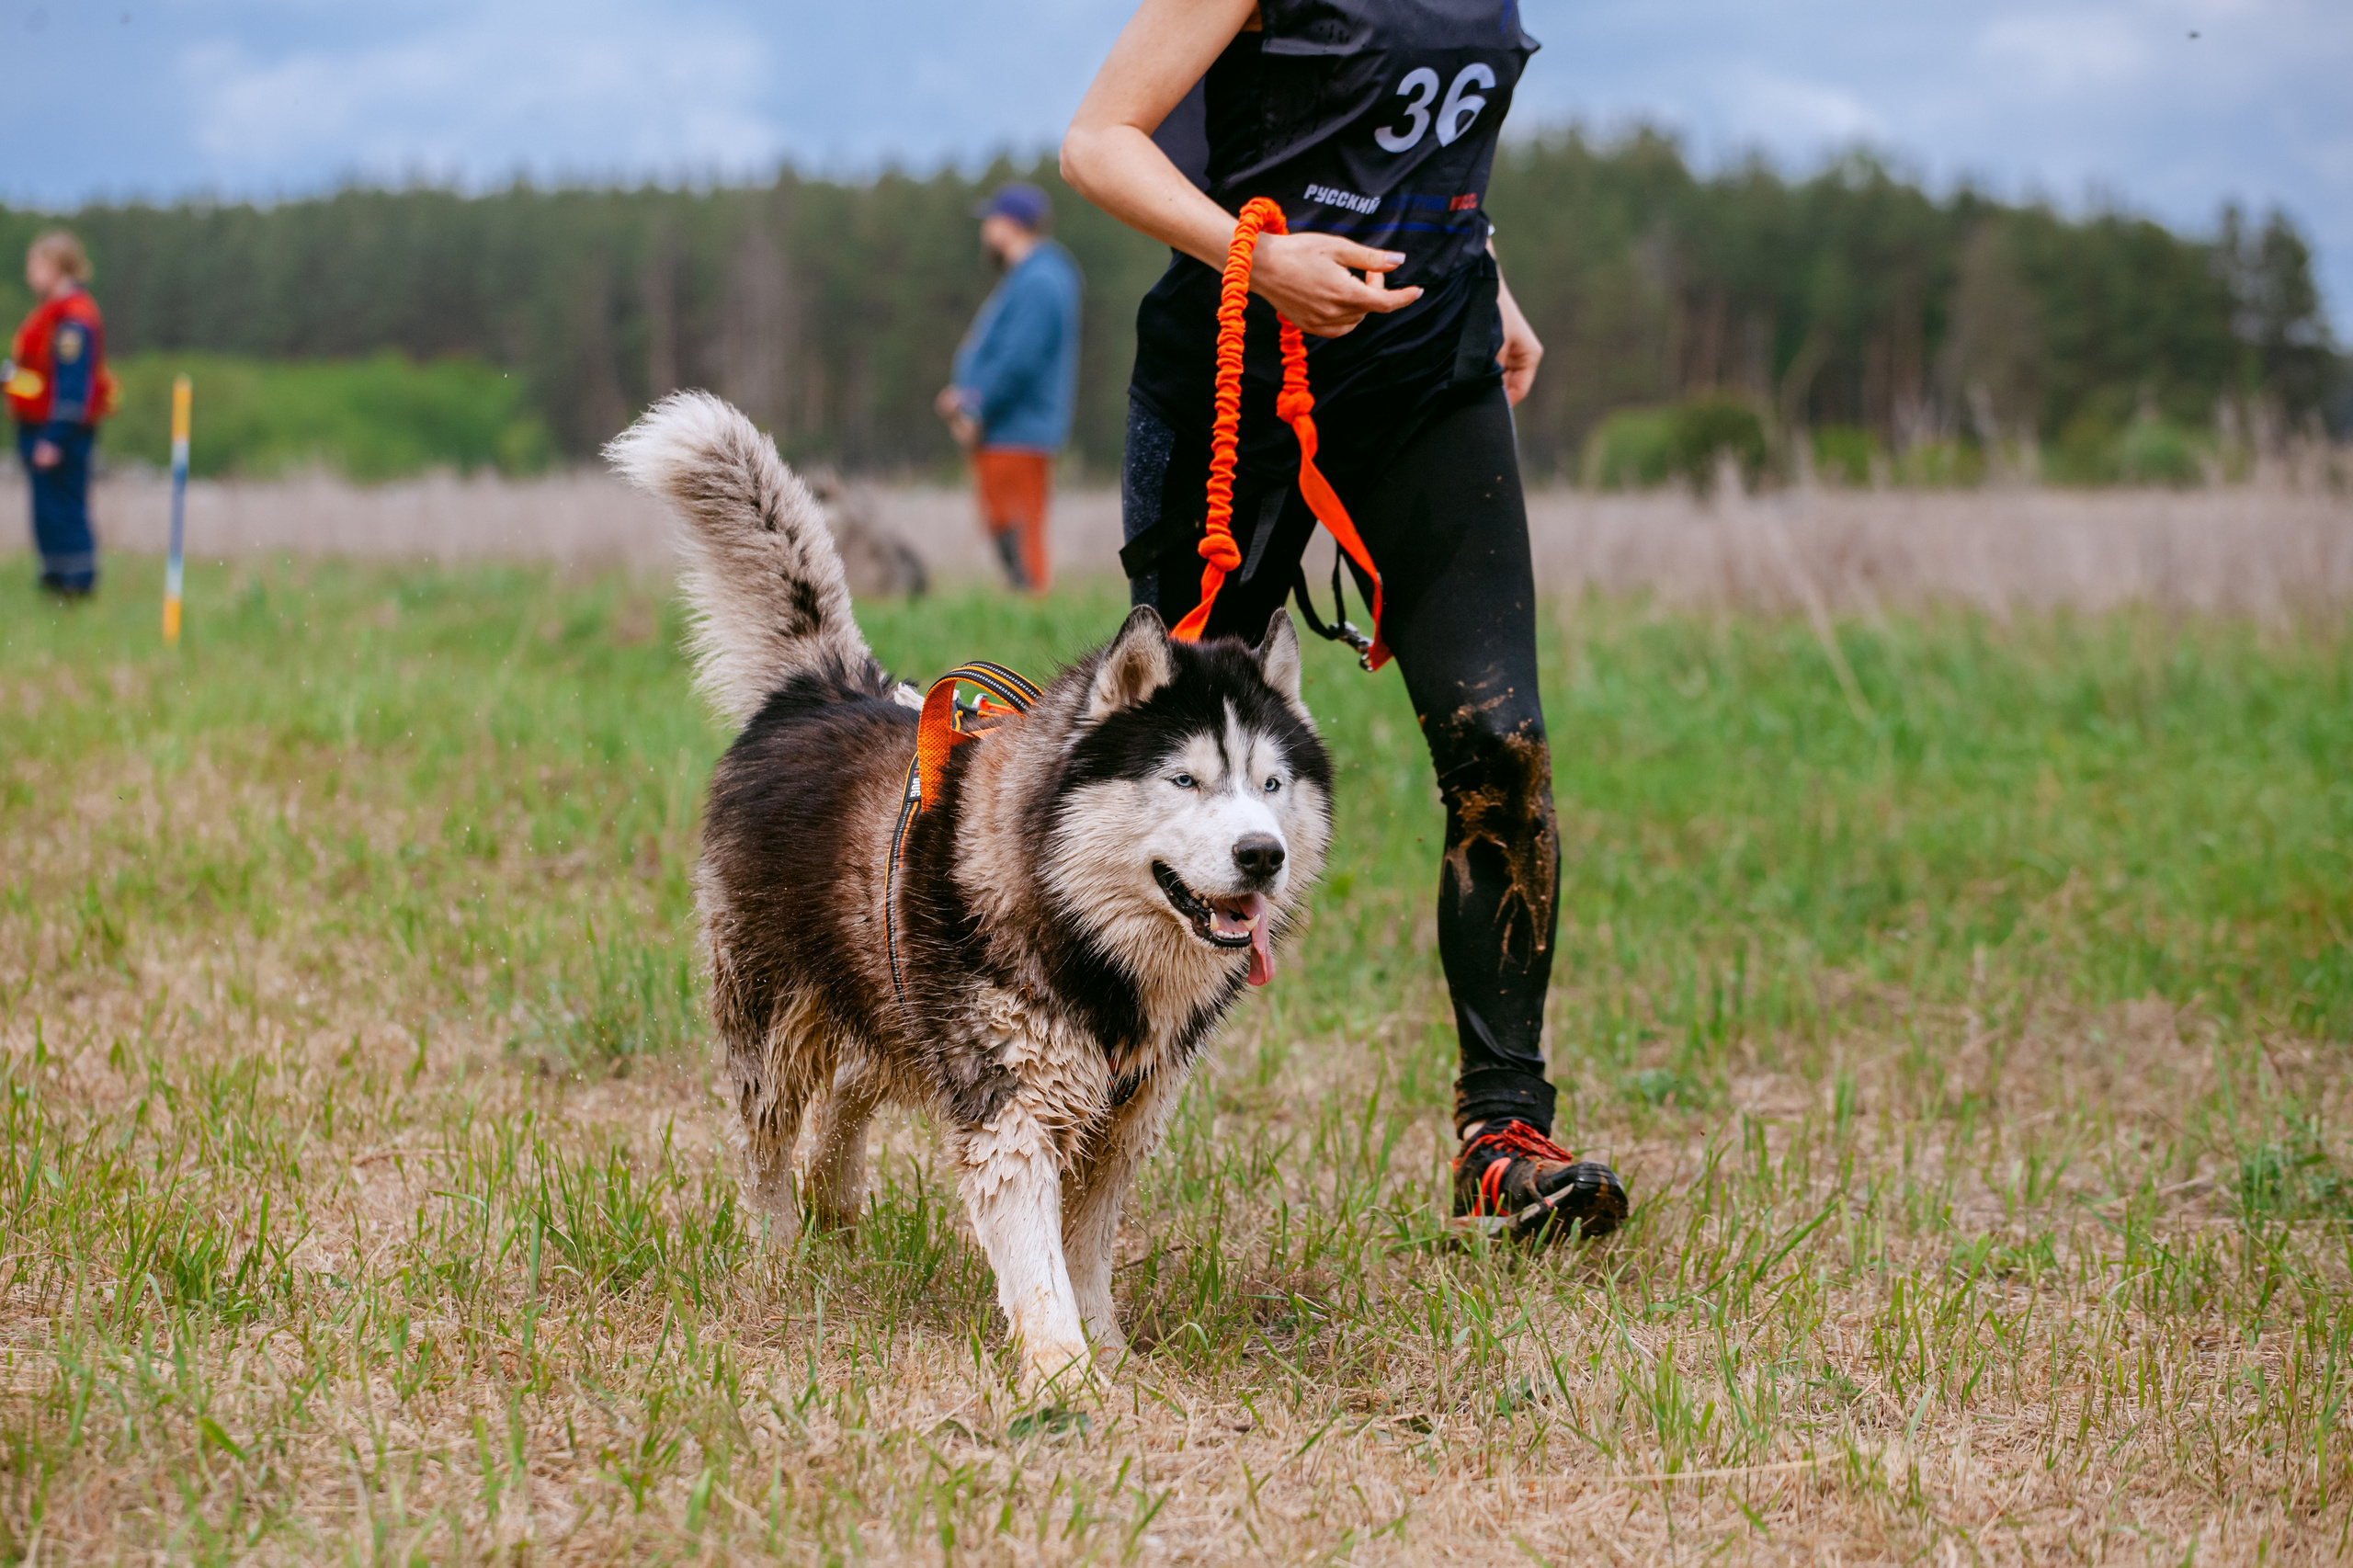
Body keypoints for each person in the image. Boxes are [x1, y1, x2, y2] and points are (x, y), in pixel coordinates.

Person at [1063, 0, 1628, 1240]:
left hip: (1433, 374)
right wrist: (1259, 261)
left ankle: (1504, 1139)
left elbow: (1406, 143)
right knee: (1151, 749)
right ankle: (1065, 1096)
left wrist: (1492, 277)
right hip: (1241, 373)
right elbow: (1099, 141)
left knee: (1501, 746)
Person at [935, 182, 1084, 594]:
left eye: (991, 222)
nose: (985, 232)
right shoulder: (1033, 277)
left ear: (1011, 226)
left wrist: (975, 406)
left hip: (1017, 431)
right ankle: (1025, 610)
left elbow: (1020, 360)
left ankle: (1033, 623)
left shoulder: (1040, 279)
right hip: (1009, 430)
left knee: (1020, 540)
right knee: (1007, 534)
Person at [6, 230, 113, 597]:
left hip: (59, 431)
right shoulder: (49, 314)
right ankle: (54, 584)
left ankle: (77, 587)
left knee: (65, 508)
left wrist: (55, 437)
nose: (30, 274)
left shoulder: (73, 320)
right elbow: (38, 378)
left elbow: (71, 386)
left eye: (35, 264)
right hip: (37, 425)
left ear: (56, 265)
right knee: (46, 512)